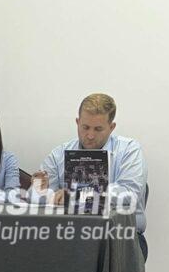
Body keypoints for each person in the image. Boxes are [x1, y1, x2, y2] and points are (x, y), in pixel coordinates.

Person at [34, 93, 148, 254]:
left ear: (112, 127)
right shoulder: (59, 154)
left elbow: (130, 194)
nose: (90, 135)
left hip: (120, 237)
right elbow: (40, 201)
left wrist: (78, 195)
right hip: (69, 235)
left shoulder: (129, 150)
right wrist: (41, 191)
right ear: (77, 122)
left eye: (98, 129)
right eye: (85, 127)